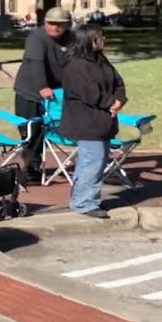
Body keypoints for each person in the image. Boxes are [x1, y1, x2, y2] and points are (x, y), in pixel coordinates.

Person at [57, 23, 126, 220]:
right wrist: (110, 103)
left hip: (103, 120)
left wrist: (119, 100)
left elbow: (118, 82)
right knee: (92, 161)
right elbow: (89, 93)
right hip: (86, 122)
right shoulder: (76, 66)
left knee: (96, 160)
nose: (103, 40)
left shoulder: (101, 61)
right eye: (100, 37)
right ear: (89, 40)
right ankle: (84, 202)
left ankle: (85, 198)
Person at [13, 6, 74, 180]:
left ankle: (34, 165)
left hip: (55, 93)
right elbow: (36, 64)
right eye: (51, 23)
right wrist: (42, 87)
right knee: (31, 131)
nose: (54, 27)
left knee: (48, 129)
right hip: (30, 91)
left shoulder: (71, 39)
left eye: (59, 24)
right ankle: (27, 168)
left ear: (67, 25)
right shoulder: (37, 37)